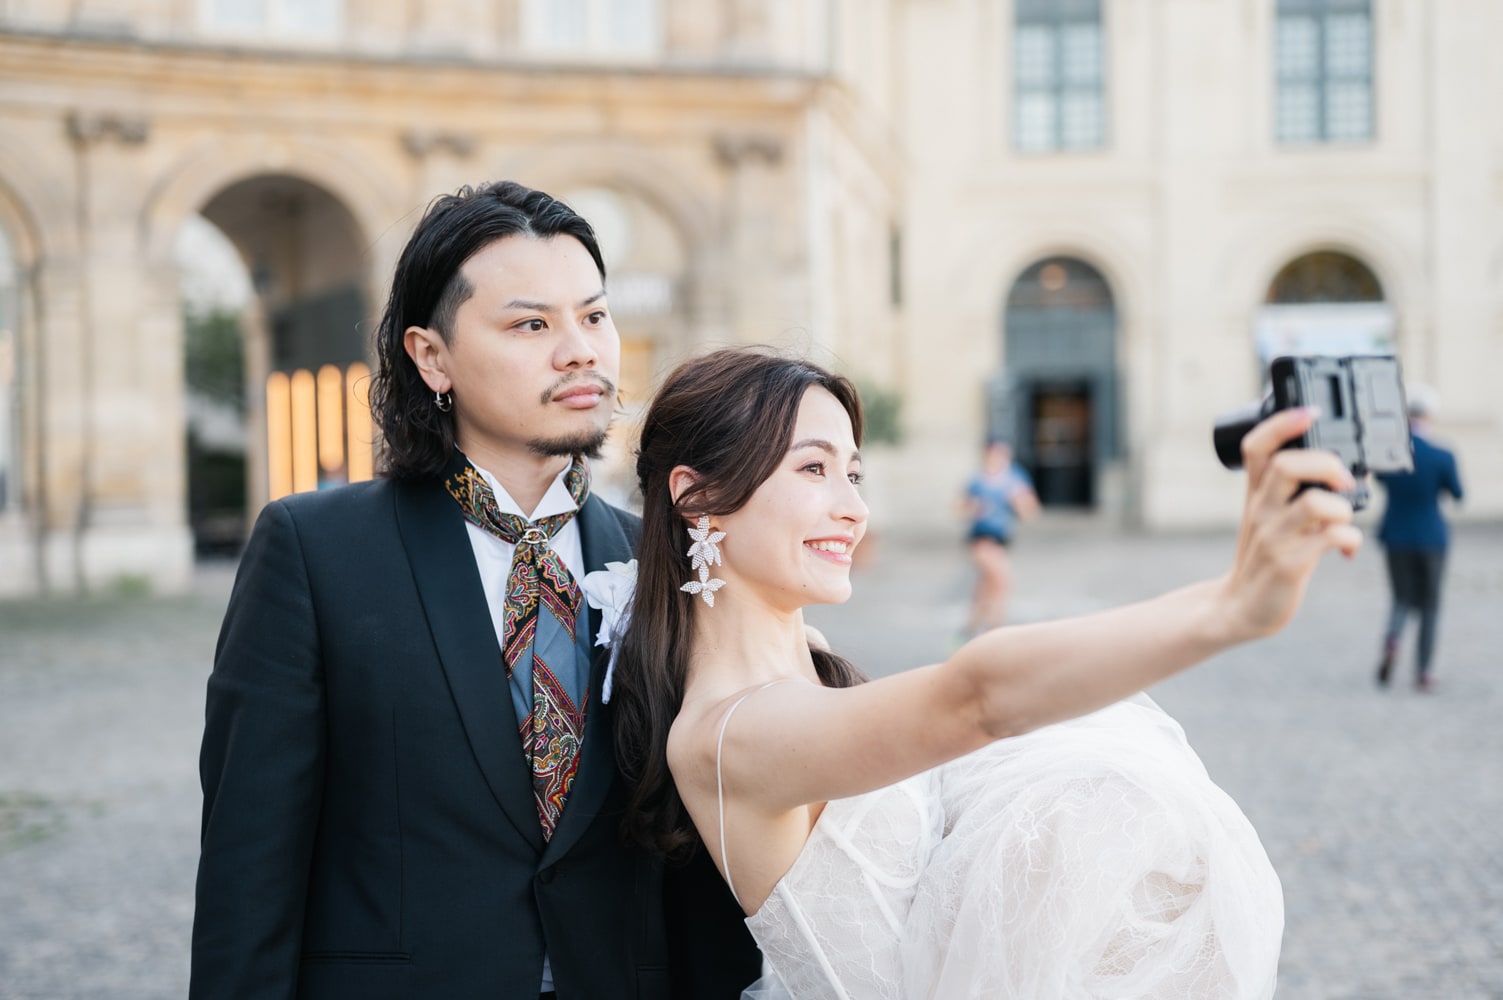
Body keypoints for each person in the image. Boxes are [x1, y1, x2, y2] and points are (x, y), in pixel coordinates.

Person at [607, 348, 1362, 999]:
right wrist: (1231, 606)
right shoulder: (729, 737)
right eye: (814, 468)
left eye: (854, 473)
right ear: (697, 495)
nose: (854, 509)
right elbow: (977, 698)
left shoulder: (806, 658)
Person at [191, 182, 760, 998]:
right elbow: (250, 860)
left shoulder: (667, 561)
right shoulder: (315, 552)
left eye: (594, 316)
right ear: (432, 357)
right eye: (532, 324)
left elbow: (697, 858)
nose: (580, 351)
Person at [1374, 387, 1464, 692]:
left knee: (1401, 597)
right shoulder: (1442, 455)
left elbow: (1381, 480)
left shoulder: (1391, 455)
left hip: (1396, 534)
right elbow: (1458, 494)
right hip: (1431, 537)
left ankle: (1393, 638)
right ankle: (1424, 671)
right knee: (1430, 606)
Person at [961, 437, 1039, 634]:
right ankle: (996, 630)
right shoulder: (978, 481)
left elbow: (1031, 512)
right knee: (1002, 581)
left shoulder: (1015, 478)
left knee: (986, 588)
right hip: (981, 539)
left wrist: (1018, 502)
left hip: (1002, 541)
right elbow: (960, 509)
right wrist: (974, 508)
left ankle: (969, 629)